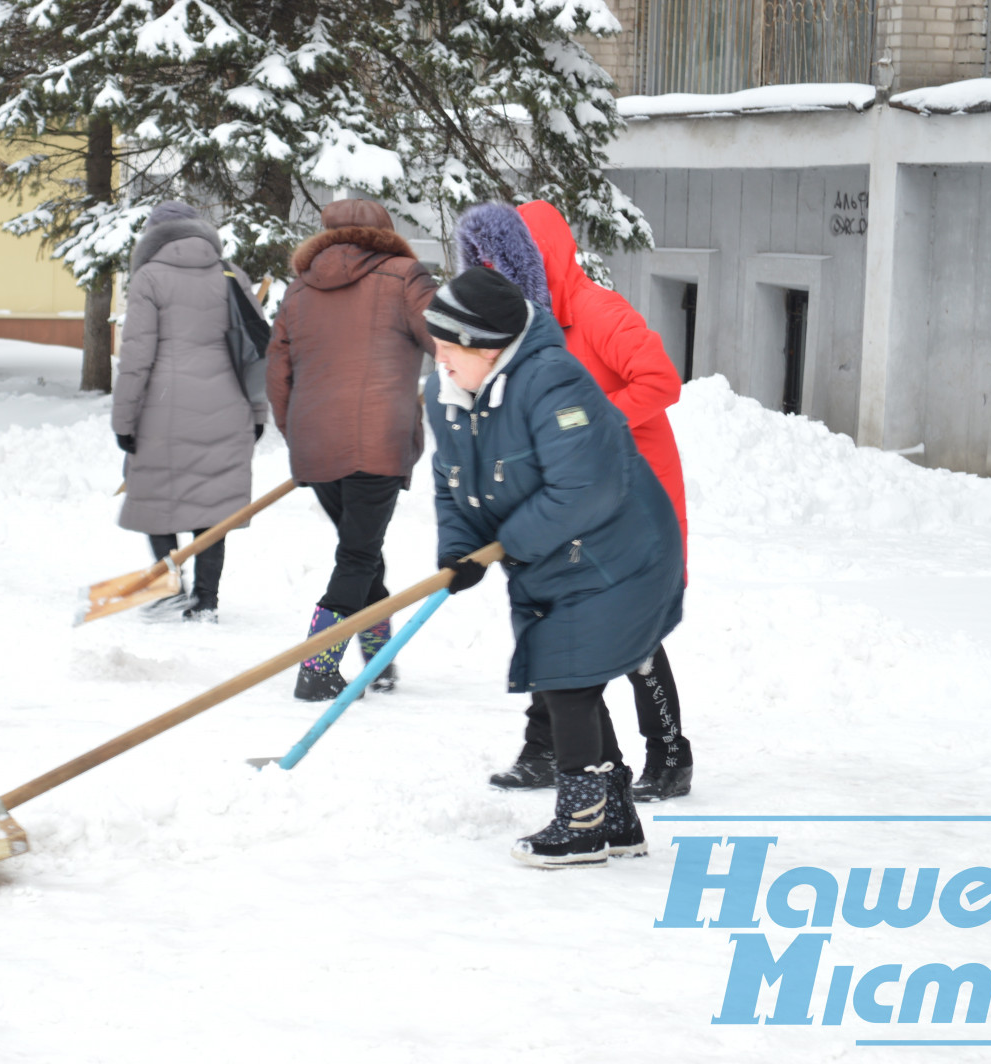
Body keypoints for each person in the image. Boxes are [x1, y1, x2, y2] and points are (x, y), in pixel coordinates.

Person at [424, 267, 683, 868]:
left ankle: (583, 818)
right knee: (569, 673)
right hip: (556, 554)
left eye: (448, 349)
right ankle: (614, 816)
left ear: (488, 348)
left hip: (621, 552)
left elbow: (586, 487)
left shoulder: (553, 384)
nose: (439, 361)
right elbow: (452, 481)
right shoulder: (452, 398)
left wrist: (509, 543)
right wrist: (459, 548)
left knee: (567, 672)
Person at [455, 200, 695, 802]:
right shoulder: (531, 335)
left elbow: (661, 381)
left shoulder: (597, 313)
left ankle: (670, 755)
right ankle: (550, 749)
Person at [268, 199, 437, 699]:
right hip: (378, 441)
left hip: (315, 444)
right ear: (385, 231)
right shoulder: (407, 277)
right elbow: (447, 341)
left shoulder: (299, 290)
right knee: (359, 554)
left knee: (363, 550)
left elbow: (278, 373)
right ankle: (318, 665)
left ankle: (378, 661)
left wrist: (295, 432)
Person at [111, 201, 266, 621]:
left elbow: (136, 358)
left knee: (156, 498)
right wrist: (257, 414)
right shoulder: (231, 274)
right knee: (212, 505)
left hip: (163, 411)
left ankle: (169, 588)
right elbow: (254, 351)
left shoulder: (148, 278)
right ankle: (206, 601)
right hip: (229, 405)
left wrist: (123, 421)